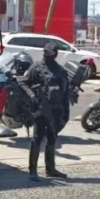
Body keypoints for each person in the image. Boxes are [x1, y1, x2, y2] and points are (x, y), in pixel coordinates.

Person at [18, 42, 70, 181]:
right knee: (37, 138)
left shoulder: (60, 71)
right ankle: (32, 170)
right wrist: (32, 95)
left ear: (55, 55)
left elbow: (65, 93)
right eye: (45, 54)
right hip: (41, 109)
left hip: (56, 110)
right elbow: (23, 82)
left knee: (52, 138)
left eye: (50, 55)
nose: (47, 57)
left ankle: (50, 169)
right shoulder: (36, 67)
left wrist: (66, 113)